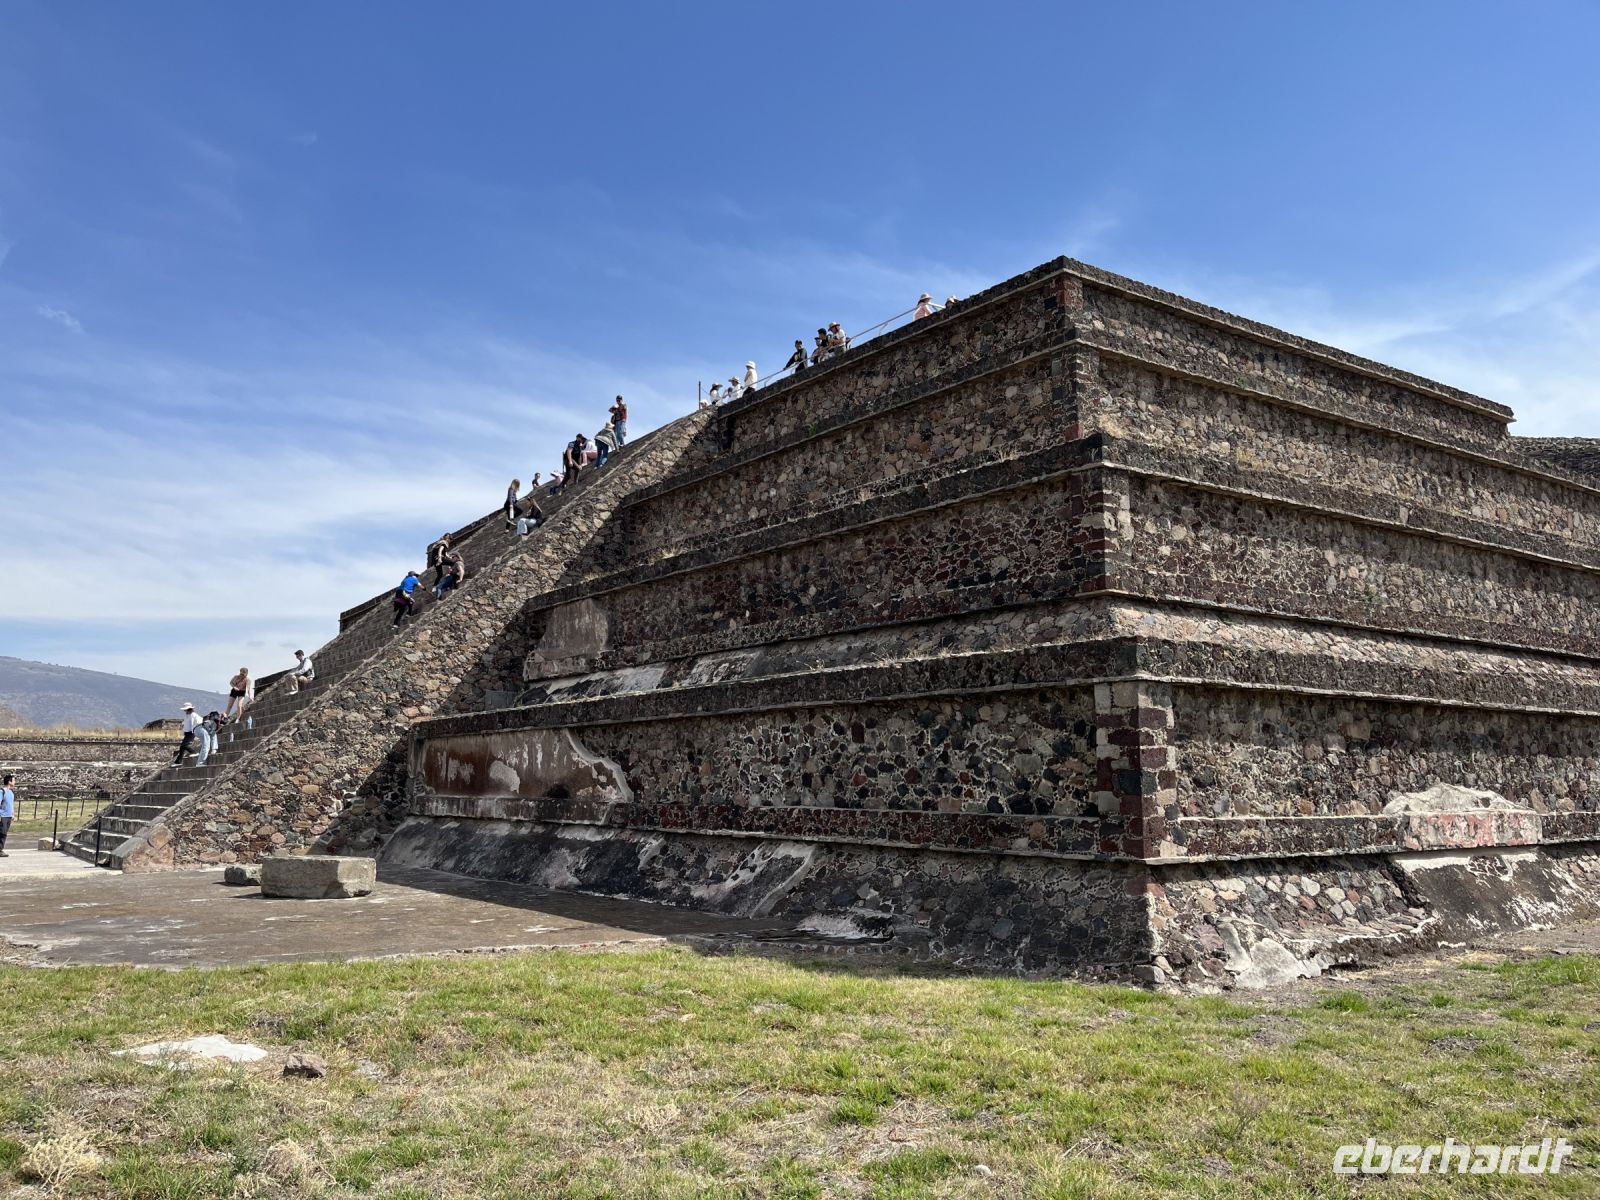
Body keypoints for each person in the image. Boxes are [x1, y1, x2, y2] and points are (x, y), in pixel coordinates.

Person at [0, 774, 14, 858]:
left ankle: (1, 849)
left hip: (8, 816)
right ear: (9, 782)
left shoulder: (11, 792)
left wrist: (13, 814)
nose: (15, 782)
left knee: (4, 833)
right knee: (2, 833)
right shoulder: (2, 791)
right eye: (14, 780)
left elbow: (11, 804)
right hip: (3, 816)